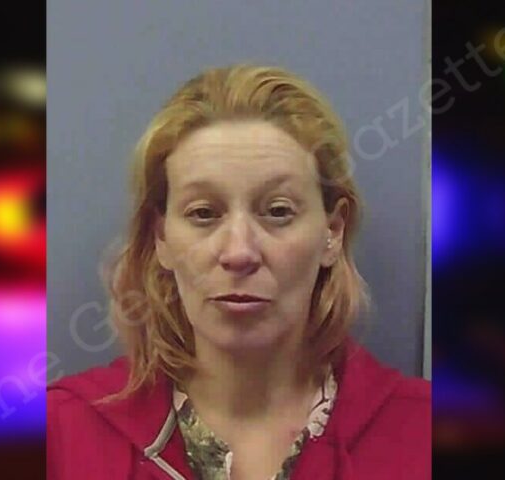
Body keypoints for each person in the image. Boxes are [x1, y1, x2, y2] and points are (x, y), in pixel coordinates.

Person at [47, 64, 430, 479]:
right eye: (204, 213)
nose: (239, 252)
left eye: (278, 211)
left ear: (332, 233)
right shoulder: (61, 435)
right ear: (161, 237)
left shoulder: (423, 433)